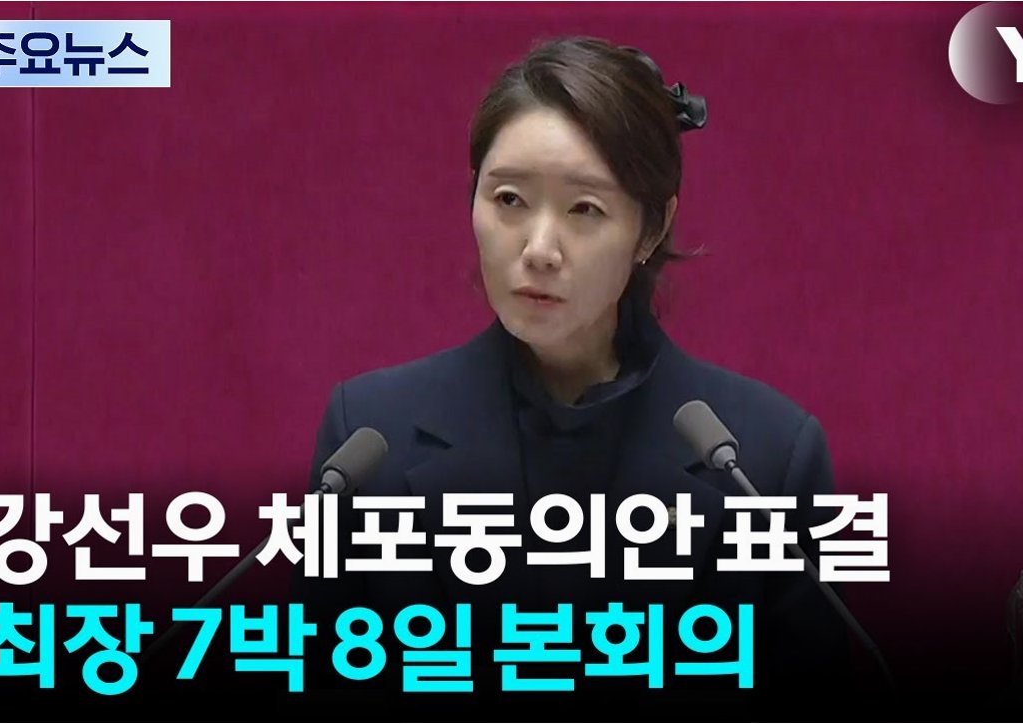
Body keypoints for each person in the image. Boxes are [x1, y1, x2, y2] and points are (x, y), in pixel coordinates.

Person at [293, 36, 850, 718]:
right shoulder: (367, 438)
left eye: (585, 209)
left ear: (652, 228)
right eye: (508, 199)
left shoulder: (765, 459)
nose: (539, 249)